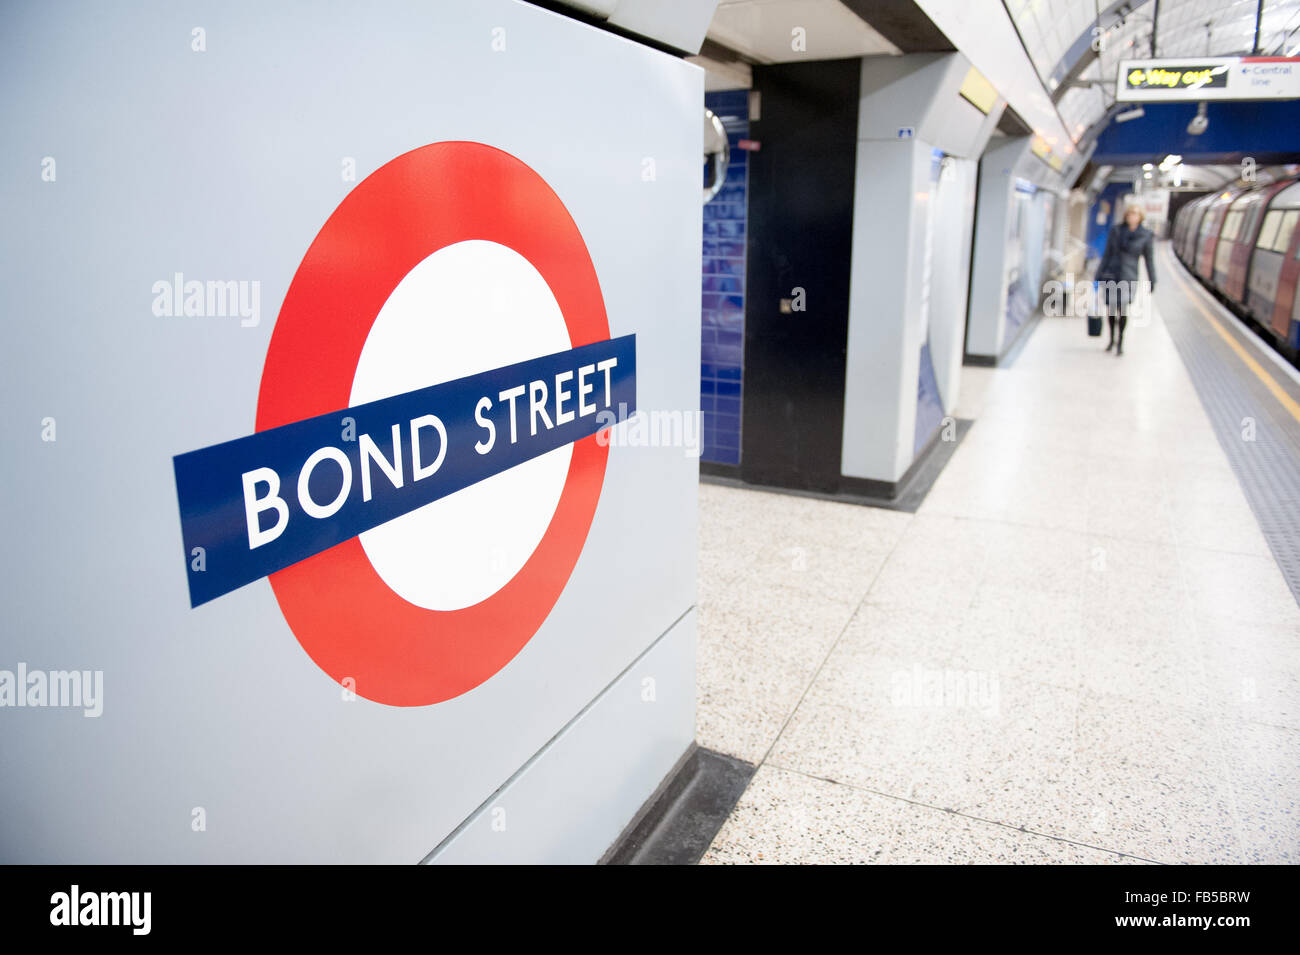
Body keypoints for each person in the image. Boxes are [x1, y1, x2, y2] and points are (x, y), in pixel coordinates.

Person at [1095, 204, 1156, 356]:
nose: (1132, 217)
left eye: (1135, 214)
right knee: (1110, 309)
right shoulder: (1116, 231)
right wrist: (1099, 274)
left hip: (1128, 277)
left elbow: (1149, 259)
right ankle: (1111, 339)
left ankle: (1120, 342)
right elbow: (1107, 254)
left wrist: (1152, 279)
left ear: (1140, 217)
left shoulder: (1146, 235)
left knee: (1122, 309)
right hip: (1111, 273)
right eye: (1130, 214)